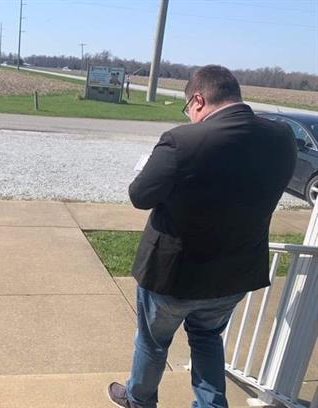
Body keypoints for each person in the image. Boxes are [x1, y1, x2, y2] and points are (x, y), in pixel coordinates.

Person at [108, 65, 297, 408]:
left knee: (153, 342)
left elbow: (140, 196)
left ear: (198, 100)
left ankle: (139, 400)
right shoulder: (282, 137)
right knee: (208, 338)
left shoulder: (182, 141)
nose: (190, 117)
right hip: (234, 274)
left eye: (188, 109)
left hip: (173, 276)